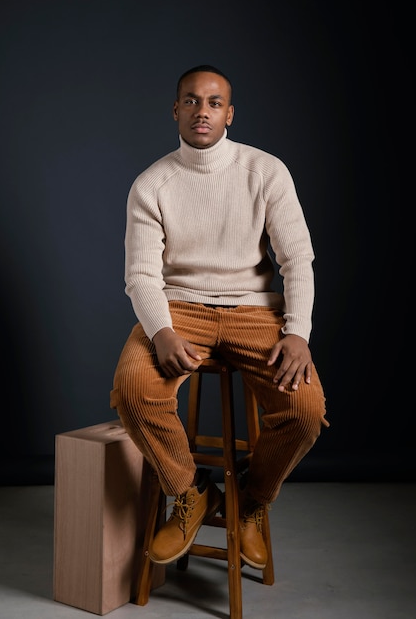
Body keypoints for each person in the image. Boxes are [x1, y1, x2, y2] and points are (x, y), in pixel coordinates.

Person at [110, 64, 329, 570]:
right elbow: (141, 275)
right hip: (179, 308)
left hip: (254, 311)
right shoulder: (153, 183)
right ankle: (190, 491)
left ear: (229, 114)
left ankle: (250, 502)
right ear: (175, 111)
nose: (201, 111)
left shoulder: (264, 171)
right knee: (133, 390)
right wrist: (161, 331)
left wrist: (297, 332)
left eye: (213, 103)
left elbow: (296, 258)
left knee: (305, 411)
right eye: (190, 101)